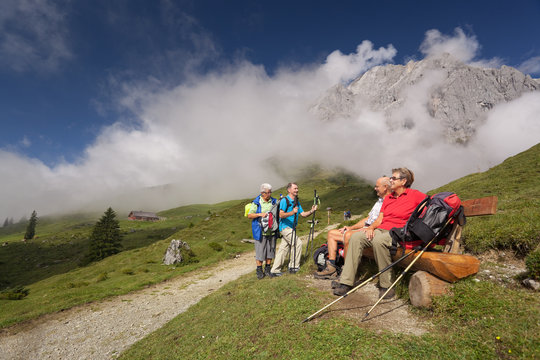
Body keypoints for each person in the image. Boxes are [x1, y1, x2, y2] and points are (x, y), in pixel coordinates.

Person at [333, 168, 426, 298]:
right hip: (381, 229)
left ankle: (386, 285)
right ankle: (346, 281)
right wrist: (371, 228)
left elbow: (429, 210)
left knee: (378, 241)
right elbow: (380, 219)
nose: (390, 180)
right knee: (356, 237)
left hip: (399, 232)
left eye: (394, 178)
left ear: (403, 181)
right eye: (391, 177)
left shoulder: (415, 195)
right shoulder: (389, 198)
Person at [314, 177, 392, 279]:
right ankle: (331, 268)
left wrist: (365, 229)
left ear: (385, 187)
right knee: (332, 233)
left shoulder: (391, 201)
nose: (375, 188)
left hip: (374, 232)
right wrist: (351, 227)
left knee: (348, 235)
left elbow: (383, 222)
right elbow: (368, 219)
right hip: (366, 229)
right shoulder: (379, 201)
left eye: (377, 186)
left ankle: (346, 271)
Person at [270, 183, 317, 276]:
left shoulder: (296, 201)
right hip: (284, 227)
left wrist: (312, 211)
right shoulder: (284, 200)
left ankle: (274, 270)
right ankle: (293, 267)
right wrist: (292, 212)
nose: (297, 190)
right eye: (295, 188)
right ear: (289, 190)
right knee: (298, 243)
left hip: (291, 228)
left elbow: (303, 214)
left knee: (283, 249)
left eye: (297, 188)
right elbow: (281, 215)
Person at [247, 183, 277, 279]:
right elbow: (249, 215)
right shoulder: (257, 202)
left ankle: (267, 269)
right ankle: (259, 270)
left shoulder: (274, 201)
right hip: (260, 231)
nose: (269, 194)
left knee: (270, 251)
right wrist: (260, 214)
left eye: (270, 192)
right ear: (262, 193)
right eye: (268, 193)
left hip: (271, 230)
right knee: (260, 251)